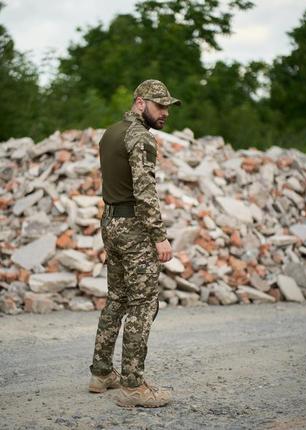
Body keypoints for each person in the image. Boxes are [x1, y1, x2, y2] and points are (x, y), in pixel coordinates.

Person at [88, 80, 181, 408]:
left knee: (117, 298)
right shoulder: (141, 137)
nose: (165, 112)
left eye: (168, 106)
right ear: (140, 103)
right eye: (159, 106)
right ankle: (133, 386)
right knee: (143, 305)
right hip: (134, 228)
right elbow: (144, 191)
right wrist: (159, 236)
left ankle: (101, 372)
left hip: (111, 223)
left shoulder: (110, 132)